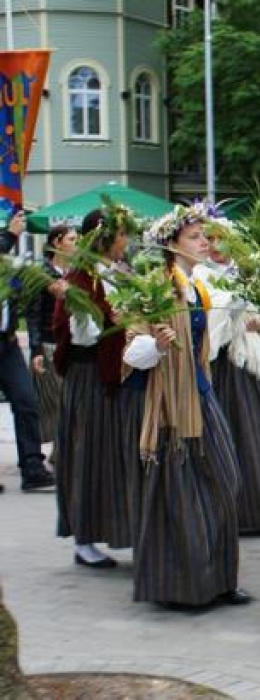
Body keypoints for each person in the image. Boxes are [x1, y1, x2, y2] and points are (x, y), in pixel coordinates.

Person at [126, 203, 248, 608]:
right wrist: (154, 345)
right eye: (195, 237)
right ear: (172, 243)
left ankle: (220, 577)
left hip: (201, 391)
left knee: (225, 479)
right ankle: (185, 586)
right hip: (173, 402)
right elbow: (132, 350)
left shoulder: (196, 286)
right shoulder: (158, 286)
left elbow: (204, 345)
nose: (205, 243)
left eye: (204, 236)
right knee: (183, 492)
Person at [51, 206, 142, 568]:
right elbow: (80, 336)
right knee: (88, 455)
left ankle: (122, 528)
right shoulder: (81, 279)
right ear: (104, 237)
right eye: (121, 234)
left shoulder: (120, 272)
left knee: (116, 457)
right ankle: (84, 539)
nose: (126, 241)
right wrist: (112, 320)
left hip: (117, 375)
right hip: (89, 377)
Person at [201, 224, 260, 535]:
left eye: (219, 239)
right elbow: (209, 320)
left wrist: (256, 322)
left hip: (248, 361)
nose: (213, 245)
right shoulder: (201, 274)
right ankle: (238, 511)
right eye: (208, 239)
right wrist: (230, 315)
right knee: (234, 429)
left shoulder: (243, 272)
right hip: (224, 363)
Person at [0, 206, 55, 492]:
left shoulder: (10, 266)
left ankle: (32, 468)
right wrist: (10, 234)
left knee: (26, 401)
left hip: (6, 344)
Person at [27, 225, 76, 454]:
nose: (76, 244)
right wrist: (36, 349)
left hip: (71, 345)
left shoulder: (75, 273)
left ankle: (61, 453)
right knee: (58, 402)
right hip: (50, 344)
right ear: (57, 242)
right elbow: (33, 314)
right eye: (72, 239)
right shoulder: (42, 273)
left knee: (69, 402)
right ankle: (59, 455)